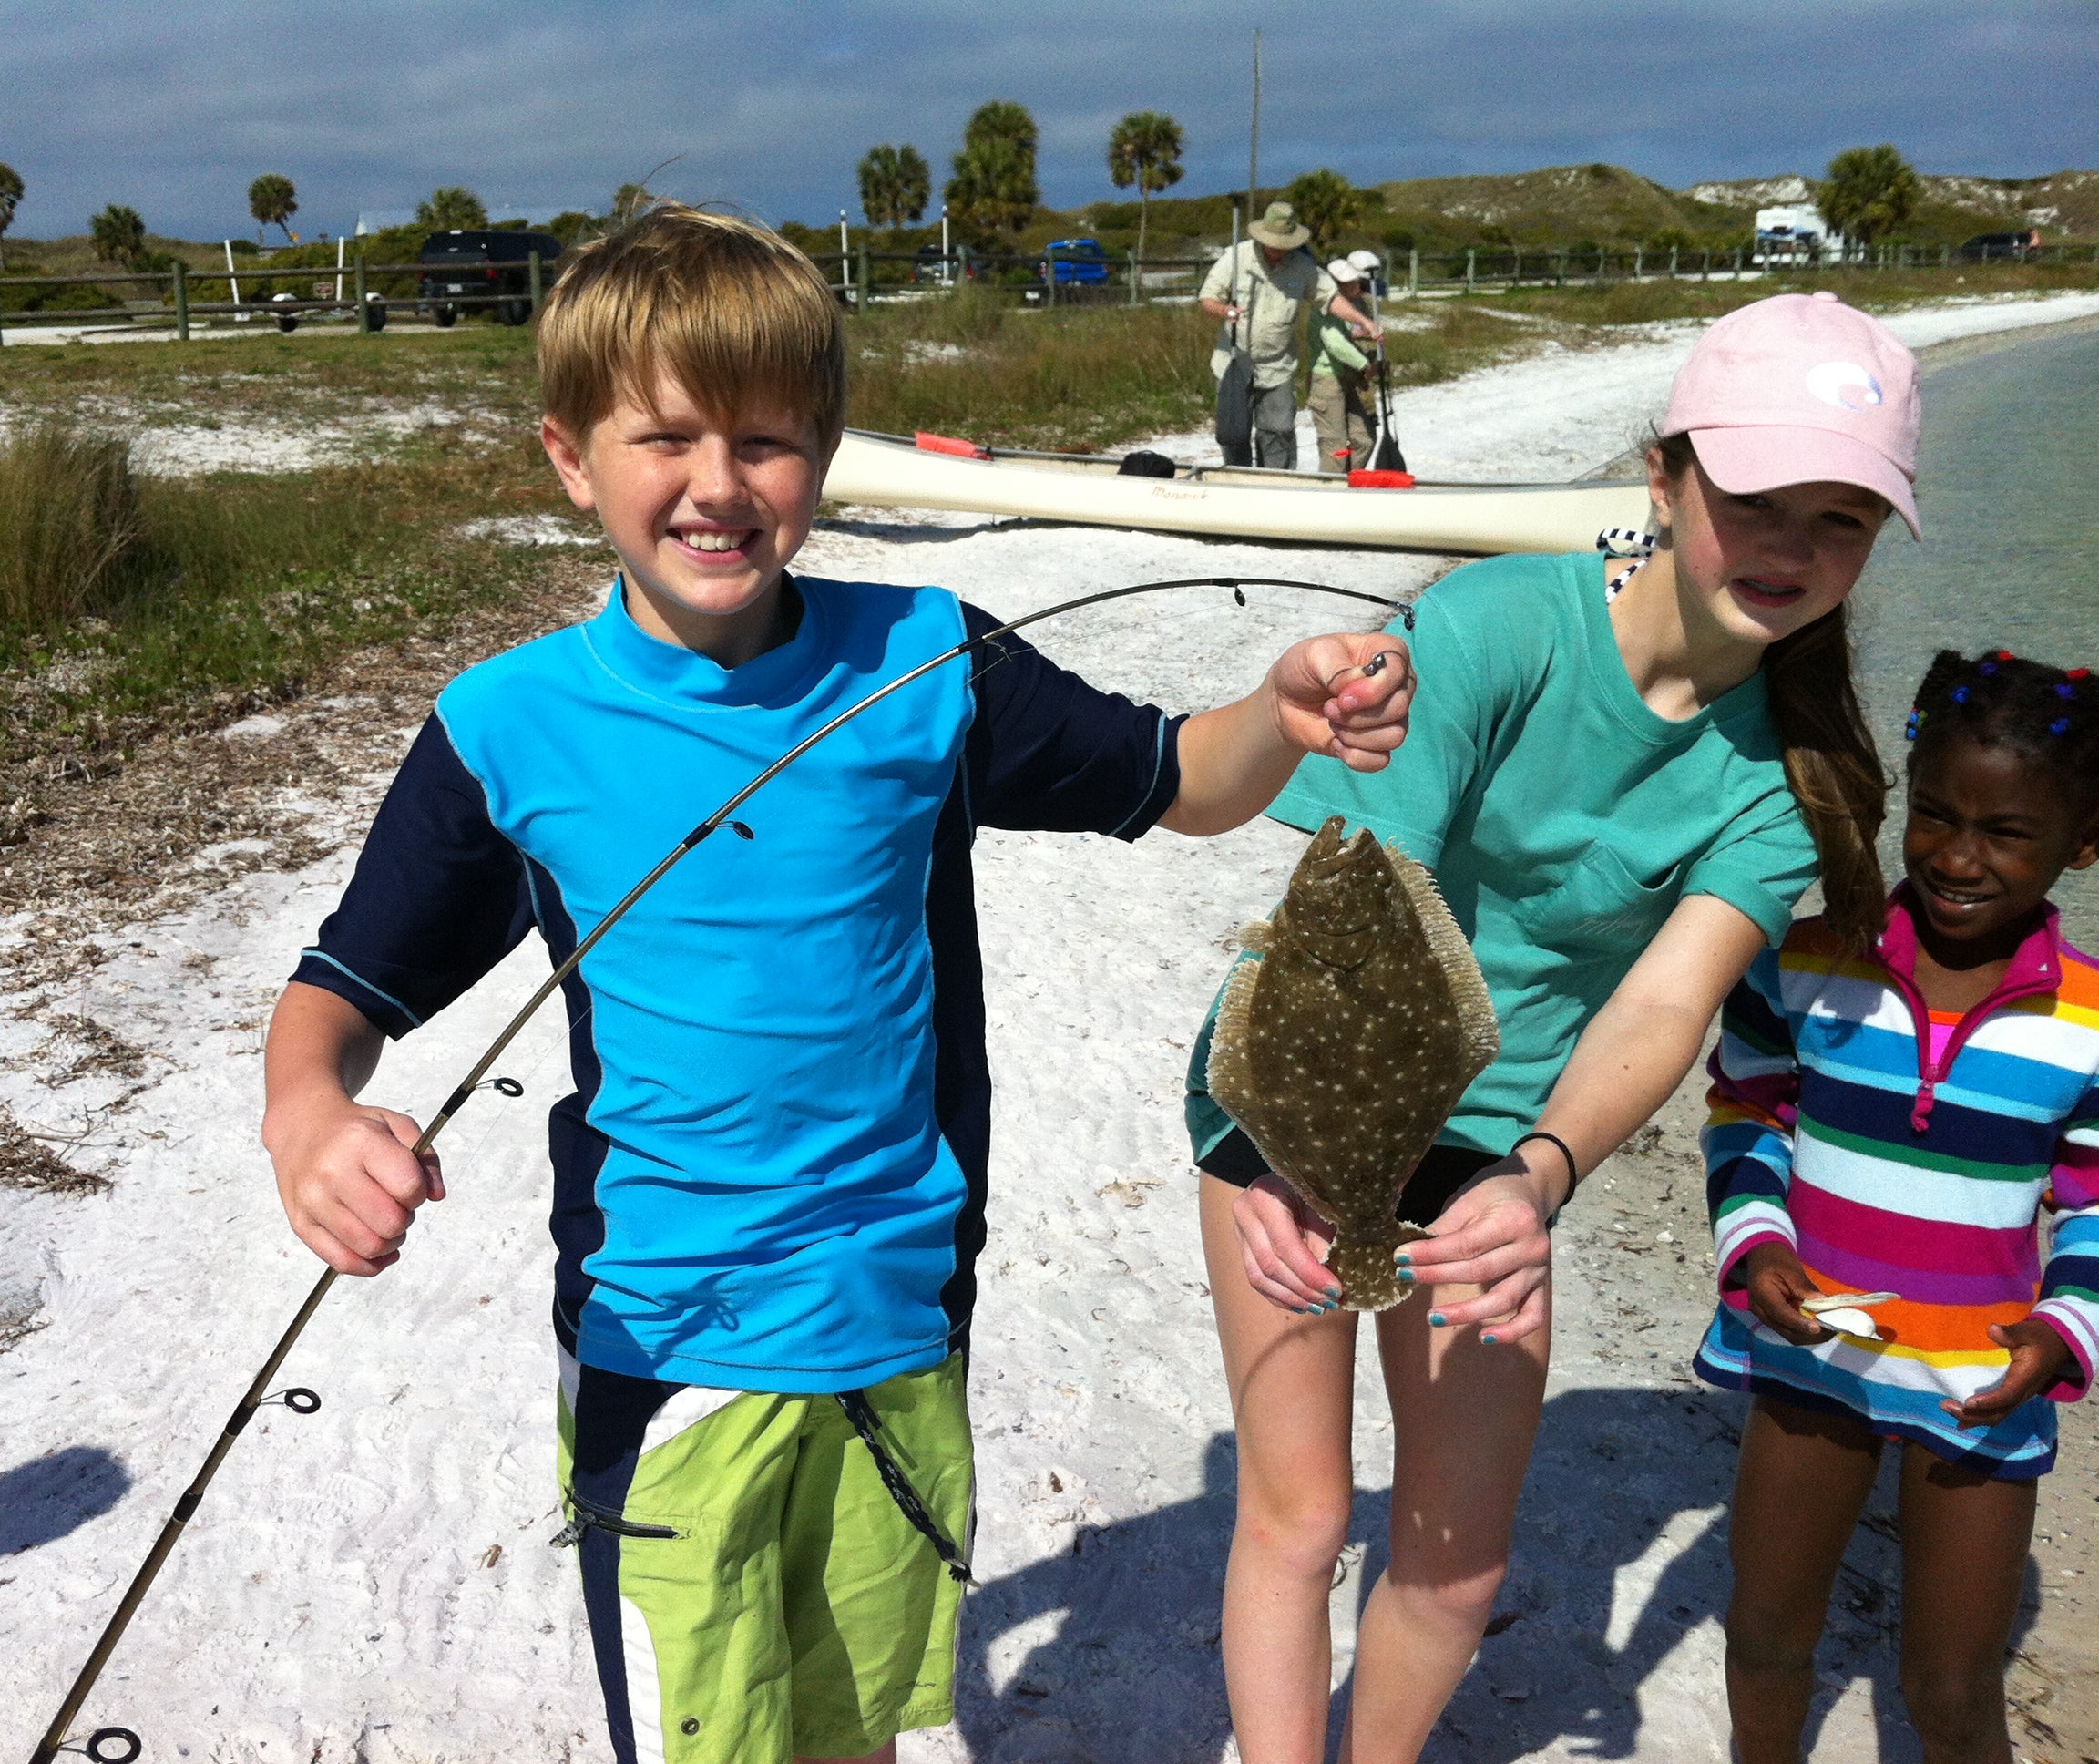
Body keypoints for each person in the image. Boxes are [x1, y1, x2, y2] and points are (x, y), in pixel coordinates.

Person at [261, 204, 1415, 1764]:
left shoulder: (929, 660)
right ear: (567, 455)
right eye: (662, 436)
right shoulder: (504, 725)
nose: (718, 485)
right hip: (656, 1331)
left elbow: (1176, 778)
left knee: (856, 1723)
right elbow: (342, 989)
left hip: (896, 1307)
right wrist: (307, 1113)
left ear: (826, 448)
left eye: (766, 440)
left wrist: (1274, 712)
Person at [1184, 290, 1919, 1764]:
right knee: (1305, 1510)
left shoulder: (1789, 780)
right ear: (1666, 476)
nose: (1792, 548)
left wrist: (1539, 1173)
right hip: (1294, 1094)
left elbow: (1661, 1003)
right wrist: (1286, 1160)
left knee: (1456, 1564)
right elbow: (1351, 901)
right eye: (1759, 500)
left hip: (1498, 1143)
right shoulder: (1489, 627)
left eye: (1840, 522)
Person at [1701, 648, 2099, 1764]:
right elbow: (1747, 1108)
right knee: (1768, 1639)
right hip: (1812, 1353)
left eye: (2009, 832)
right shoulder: (1810, 959)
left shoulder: (2088, 1025)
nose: (1959, 856)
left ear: (2084, 843)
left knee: (1951, 1688)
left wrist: (2065, 1330)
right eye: (1934, 815)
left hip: (1983, 1383)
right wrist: (1757, 1242)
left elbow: (2096, 1206)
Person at [1199, 201, 1377, 469]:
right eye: (1274, 245)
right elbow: (1207, 299)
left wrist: (1363, 320)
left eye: (1285, 246)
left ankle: (1276, 482)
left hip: (1278, 367)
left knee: (1278, 431)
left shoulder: (1303, 266)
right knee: (1234, 435)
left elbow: (1330, 298)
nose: (1279, 252)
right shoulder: (1236, 258)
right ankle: (1238, 481)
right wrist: (1225, 311)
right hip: (1234, 363)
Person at [1307, 257, 1377, 474]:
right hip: (1326, 381)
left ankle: (1348, 480)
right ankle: (1331, 487)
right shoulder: (1324, 306)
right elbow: (1334, 342)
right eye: (1353, 283)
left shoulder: (1350, 307)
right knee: (1335, 447)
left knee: (1364, 439)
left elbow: (1349, 332)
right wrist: (1364, 364)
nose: (1359, 287)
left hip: (1347, 379)